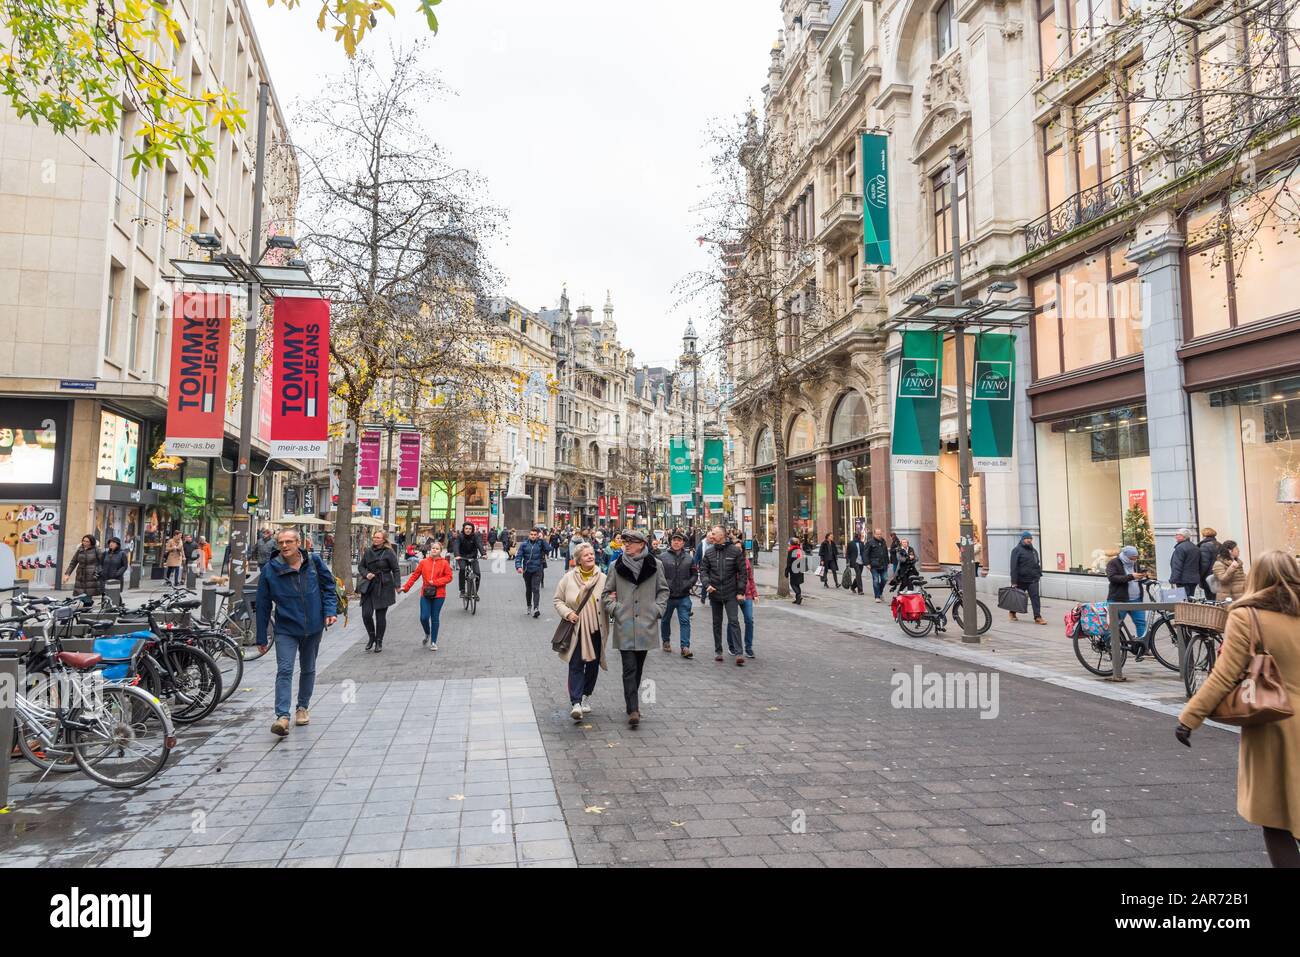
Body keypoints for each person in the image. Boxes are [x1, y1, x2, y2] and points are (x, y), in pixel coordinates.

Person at [1177, 550, 1300, 867]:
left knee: (1275, 815)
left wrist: (1191, 717)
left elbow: (1224, 674)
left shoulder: (1248, 616)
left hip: (1274, 723)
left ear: (1256, 577)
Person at [255, 528, 337, 736]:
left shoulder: (314, 562)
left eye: (289, 541)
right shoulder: (270, 569)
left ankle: (302, 708)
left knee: (308, 668)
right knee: (284, 669)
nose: (284, 546)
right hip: (286, 628)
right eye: (281, 542)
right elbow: (263, 604)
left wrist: (329, 611)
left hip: (313, 626)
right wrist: (261, 636)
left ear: (299, 543)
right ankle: (282, 716)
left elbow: (329, 587)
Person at [601, 528, 668, 727]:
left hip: (646, 624)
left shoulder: (655, 565)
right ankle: (633, 709)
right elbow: (606, 594)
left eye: (631, 542)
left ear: (641, 545)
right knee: (629, 667)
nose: (626, 545)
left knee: (638, 668)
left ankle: (632, 701)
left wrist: (657, 610)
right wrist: (616, 610)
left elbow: (663, 591)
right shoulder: (616, 565)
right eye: (625, 541)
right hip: (625, 625)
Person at [555, 542, 609, 721]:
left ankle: (587, 696)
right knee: (576, 664)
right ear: (578, 559)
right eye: (586, 555)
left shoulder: (602, 578)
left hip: (596, 629)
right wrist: (568, 613)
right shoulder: (568, 578)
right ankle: (576, 702)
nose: (590, 557)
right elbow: (558, 600)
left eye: (592, 554)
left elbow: (608, 599)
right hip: (577, 629)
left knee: (593, 665)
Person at [701, 525, 747, 665]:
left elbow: (742, 573)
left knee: (734, 621)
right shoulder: (709, 553)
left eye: (714, 534)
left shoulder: (734, 551)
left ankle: (739, 653)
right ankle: (718, 651)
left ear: (721, 535)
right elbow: (703, 571)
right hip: (714, 593)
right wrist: (707, 584)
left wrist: (740, 592)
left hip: (731, 593)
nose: (711, 536)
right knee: (717, 623)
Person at [402, 540, 454, 650]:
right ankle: (427, 632)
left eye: (437, 548)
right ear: (430, 549)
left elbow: (449, 577)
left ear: (440, 551)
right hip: (425, 593)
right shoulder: (423, 562)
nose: (434, 550)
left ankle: (433, 642)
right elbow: (414, 576)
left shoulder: (444, 563)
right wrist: (406, 587)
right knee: (424, 617)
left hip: (439, 594)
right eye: (433, 548)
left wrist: (435, 582)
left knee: (435, 618)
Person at [358, 530, 400, 653]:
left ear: (384, 540)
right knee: (366, 614)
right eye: (374, 537)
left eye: (378, 537)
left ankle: (379, 641)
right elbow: (361, 566)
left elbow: (396, 569)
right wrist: (367, 574)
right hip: (370, 586)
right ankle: (371, 637)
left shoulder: (389, 552)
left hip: (384, 586)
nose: (375, 539)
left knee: (380, 616)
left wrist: (397, 585)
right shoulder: (368, 551)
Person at [659, 529, 696, 658]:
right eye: (674, 540)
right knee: (665, 620)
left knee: (685, 621)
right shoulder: (663, 557)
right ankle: (666, 641)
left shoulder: (689, 558)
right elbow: (658, 575)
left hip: (683, 596)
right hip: (667, 596)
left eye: (679, 540)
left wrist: (689, 584)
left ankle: (685, 647)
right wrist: (663, 587)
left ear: (683, 543)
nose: (676, 542)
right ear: (671, 542)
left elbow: (694, 575)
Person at [1106, 545, 1150, 649]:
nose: (1134, 560)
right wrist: (1131, 576)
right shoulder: (1113, 563)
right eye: (1132, 558)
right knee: (1113, 625)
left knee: (1141, 623)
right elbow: (1112, 578)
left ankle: (1143, 648)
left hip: (1136, 599)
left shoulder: (1135, 563)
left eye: (1136, 558)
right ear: (1125, 556)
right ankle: (1108, 646)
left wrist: (1143, 577)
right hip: (1118, 600)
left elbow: (1136, 576)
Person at [1008, 531, 1046, 624]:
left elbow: (1037, 563)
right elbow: (1013, 567)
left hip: (1033, 579)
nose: (1029, 540)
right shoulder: (1016, 550)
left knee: (1035, 598)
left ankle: (1037, 617)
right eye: (1026, 538)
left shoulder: (1034, 550)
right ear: (1022, 539)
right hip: (1021, 580)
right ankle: (1012, 612)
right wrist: (1014, 581)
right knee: (1018, 598)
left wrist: (1038, 574)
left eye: (1030, 538)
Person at [515, 526, 550, 618]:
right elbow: (518, 556)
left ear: (538, 535)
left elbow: (548, 549)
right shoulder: (524, 544)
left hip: (537, 569)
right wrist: (518, 566)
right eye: (531, 534)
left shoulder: (540, 543)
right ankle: (529, 605)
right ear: (529, 535)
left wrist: (542, 540)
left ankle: (536, 608)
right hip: (527, 570)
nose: (533, 536)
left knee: (536, 589)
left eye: (535, 535)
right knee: (529, 589)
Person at [452, 521, 486, 598]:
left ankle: (475, 592)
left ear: (472, 529)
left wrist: (484, 554)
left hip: (473, 557)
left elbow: (479, 545)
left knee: (477, 573)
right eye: (466, 528)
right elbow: (456, 546)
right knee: (463, 569)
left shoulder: (475, 536)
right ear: (463, 529)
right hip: (462, 557)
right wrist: (457, 555)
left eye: (470, 529)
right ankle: (462, 590)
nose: (468, 530)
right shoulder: (460, 537)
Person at [1170, 528, 1202, 599]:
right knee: (1190, 599)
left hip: (1183, 580)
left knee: (1183, 601)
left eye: (1177, 535)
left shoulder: (1180, 548)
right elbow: (1199, 564)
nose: (1175, 536)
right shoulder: (1195, 547)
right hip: (1193, 579)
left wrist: (1173, 579)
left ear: (1182, 536)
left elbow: (1177, 565)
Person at [740, 550, 758, 659]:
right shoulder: (730, 561)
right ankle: (732, 645)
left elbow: (750, 579)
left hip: (747, 595)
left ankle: (748, 647)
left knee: (749, 619)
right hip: (733, 594)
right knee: (733, 621)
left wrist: (754, 594)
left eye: (739, 548)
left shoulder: (746, 562)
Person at [866, 528, 891, 603]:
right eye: (877, 534)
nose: (879, 535)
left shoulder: (883, 541)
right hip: (874, 565)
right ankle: (877, 596)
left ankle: (880, 592)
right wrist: (867, 563)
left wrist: (888, 562)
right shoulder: (870, 542)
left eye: (880, 534)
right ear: (874, 534)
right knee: (876, 580)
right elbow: (866, 553)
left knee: (885, 579)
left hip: (883, 564)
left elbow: (885, 552)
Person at [1198, 527, 1221, 600]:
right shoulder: (1220, 545)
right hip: (1219, 575)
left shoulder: (1205, 546)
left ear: (1204, 535)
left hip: (1209, 577)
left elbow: (1204, 564)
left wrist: (1199, 576)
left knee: (1210, 599)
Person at [786, 536, 806, 605]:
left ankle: (798, 595)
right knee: (797, 584)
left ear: (791, 544)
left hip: (794, 569)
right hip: (800, 569)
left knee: (793, 583)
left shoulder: (791, 551)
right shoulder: (800, 550)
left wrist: (786, 571)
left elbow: (789, 562)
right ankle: (798, 599)